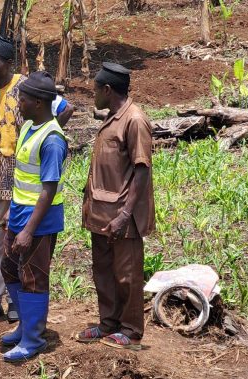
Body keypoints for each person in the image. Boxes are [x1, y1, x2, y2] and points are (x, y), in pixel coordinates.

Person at [0, 35, 74, 330]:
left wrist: (46, 137)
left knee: (24, 248)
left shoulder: (28, 88)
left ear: (9, 63)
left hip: (26, 187)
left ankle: (17, 304)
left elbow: (65, 108)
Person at [76, 62, 155, 350]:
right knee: (104, 271)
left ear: (108, 90)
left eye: (95, 90)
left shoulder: (134, 120)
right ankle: (108, 323)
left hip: (123, 215)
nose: (93, 95)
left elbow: (142, 170)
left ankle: (131, 331)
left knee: (126, 274)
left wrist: (124, 214)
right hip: (101, 213)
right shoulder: (112, 118)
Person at [0, 72, 68, 362]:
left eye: (23, 99)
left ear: (38, 103)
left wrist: (28, 230)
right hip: (19, 213)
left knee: (33, 278)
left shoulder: (52, 141)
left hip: (38, 222)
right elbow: (24, 179)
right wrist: (10, 210)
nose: (19, 104)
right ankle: (25, 325)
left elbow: (48, 191)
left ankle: (33, 339)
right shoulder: (29, 125)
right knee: (8, 268)